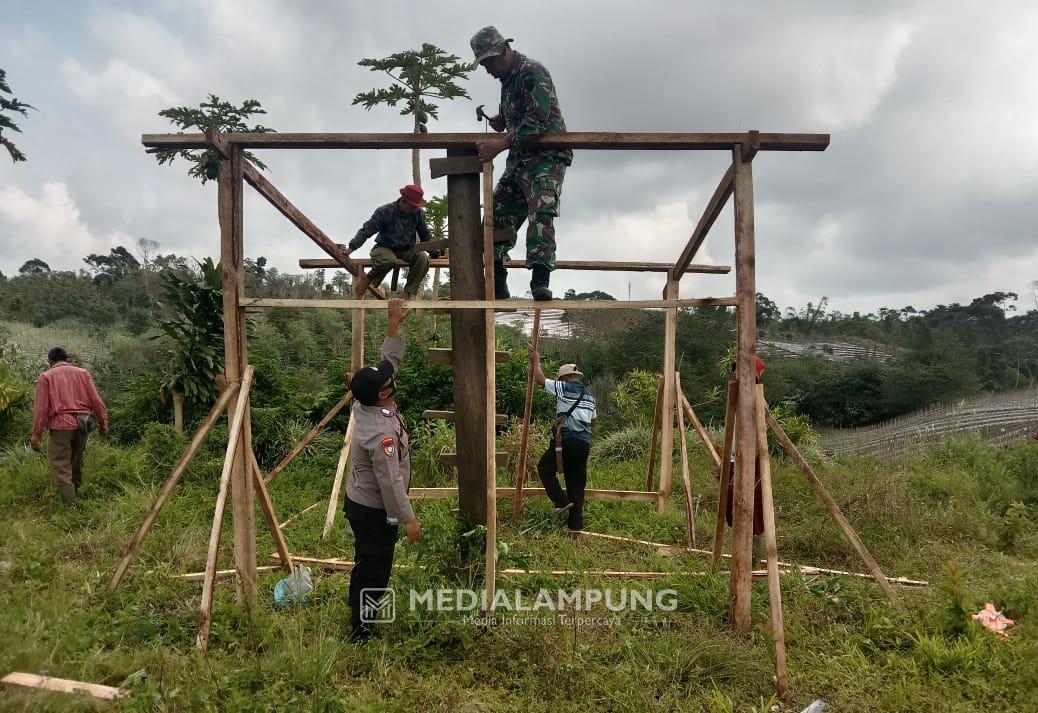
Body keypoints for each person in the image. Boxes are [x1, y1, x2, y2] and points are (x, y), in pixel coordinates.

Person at [469, 26, 573, 301]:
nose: (488, 70)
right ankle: (497, 278)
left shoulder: (532, 72)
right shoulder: (507, 81)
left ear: (502, 51)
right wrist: (501, 122)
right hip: (520, 158)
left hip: (546, 156)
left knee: (541, 212)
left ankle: (540, 281)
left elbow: (537, 120)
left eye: (488, 63)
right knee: (496, 215)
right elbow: (516, 118)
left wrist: (499, 145)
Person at [344, 298, 419, 641]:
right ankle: (362, 631)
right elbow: (390, 483)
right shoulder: (381, 433)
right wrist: (409, 519)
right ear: (384, 394)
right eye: (388, 383)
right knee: (376, 566)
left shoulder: (367, 404)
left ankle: (357, 611)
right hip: (375, 511)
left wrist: (393, 323)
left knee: (365, 559)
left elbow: (389, 363)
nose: (392, 379)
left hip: (360, 503)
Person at [30, 347, 108, 504]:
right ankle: (77, 494)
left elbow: (41, 409)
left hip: (60, 426)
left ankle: (70, 505)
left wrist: (36, 435)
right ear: (67, 359)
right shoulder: (83, 373)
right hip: (83, 424)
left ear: (50, 361)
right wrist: (103, 424)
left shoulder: (46, 377)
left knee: (61, 465)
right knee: (76, 462)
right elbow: (96, 401)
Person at [529, 351, 596, 530]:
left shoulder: (564, 388)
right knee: (576, 482)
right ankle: (575, 526)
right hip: (584, 443)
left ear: (565, 377)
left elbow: (540, 379)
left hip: (567, 439)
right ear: (575, 376)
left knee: (544, 468)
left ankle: (560, 501)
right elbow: (594, 421)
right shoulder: (590, 396)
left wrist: (536, 361)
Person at [340, 185, 441, 299]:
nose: (414, 209)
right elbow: (366, 230)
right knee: (388, 260)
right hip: (384, 248)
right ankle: (368, 279)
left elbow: (425, 236)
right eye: (413, 206)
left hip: (407, 249)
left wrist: (436, 254)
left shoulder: (418, 213)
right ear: (403, 202)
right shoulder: (384, 211)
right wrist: (351, 248)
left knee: (422, 258)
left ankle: (407, 293)